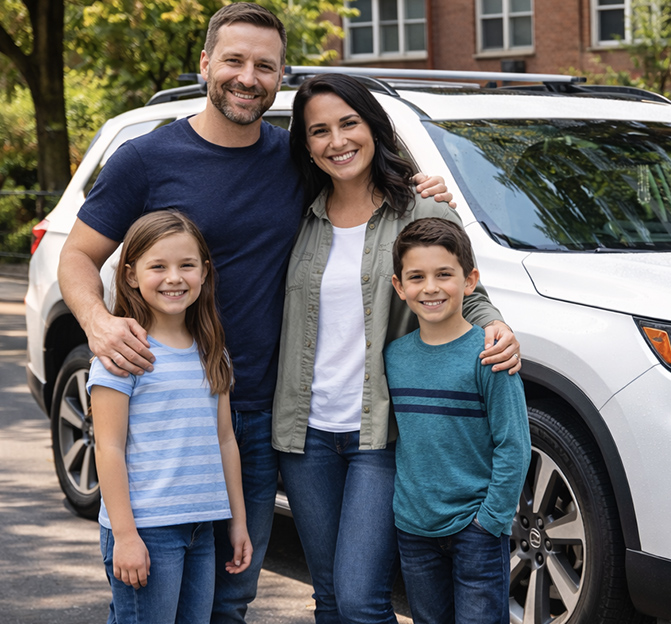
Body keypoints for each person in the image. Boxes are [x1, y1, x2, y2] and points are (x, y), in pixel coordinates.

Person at [57, 4, 521, 622]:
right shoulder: (147, 157)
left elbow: (407, 235)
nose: (248, 77)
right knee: (156, 588)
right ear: (205, 63)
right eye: (234, 60)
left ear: (280, 77)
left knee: (230, 592)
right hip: (173, 411)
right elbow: (78, 255)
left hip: (257, 417)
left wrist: (485, 304)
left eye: (265, 65)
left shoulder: (295, 163)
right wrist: (98, 322)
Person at [272, 74, 519, 623]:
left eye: (348, 123)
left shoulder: (420, 210)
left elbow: (466, 293)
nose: (336, 140)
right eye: (319, 131)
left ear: (372, 127)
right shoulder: (295, 214)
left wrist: (497, 325)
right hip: (303, 435)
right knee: (330, 597)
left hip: (377, 435)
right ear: (306, 145)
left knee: (361, 599)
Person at [90, 211, 251, 623]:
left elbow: (225, 439)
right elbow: (108, 447)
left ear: (205, 271)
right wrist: (125, 536)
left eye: (186, 265)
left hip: (200, 527)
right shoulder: (122, 353)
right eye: (157, 266)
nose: (174, 278)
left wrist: (237, 522)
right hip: (146, 530)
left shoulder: (211, 348)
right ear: (130, 276)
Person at [386, 217, 531, 624]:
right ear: (399, 287)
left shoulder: (490, 356)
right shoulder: (395, 357)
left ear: (470, 282)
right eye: (416, 277)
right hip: (415, 528)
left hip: (476, 530)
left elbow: (514, 444)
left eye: (444, 275)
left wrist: (490, 522)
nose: (430, 287)